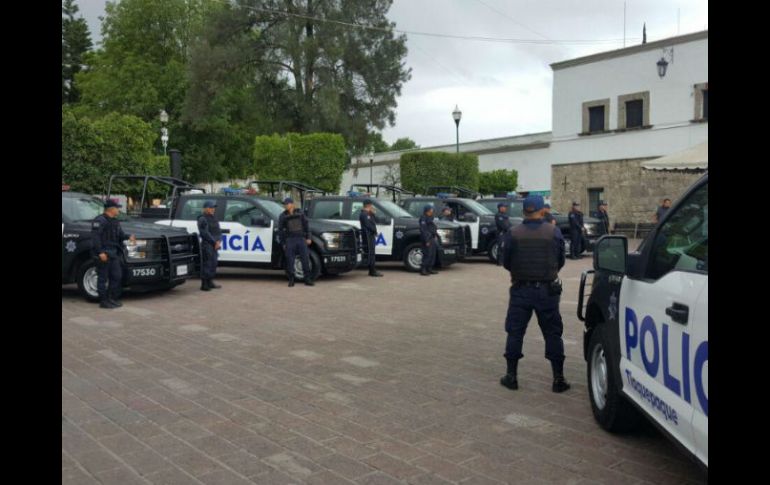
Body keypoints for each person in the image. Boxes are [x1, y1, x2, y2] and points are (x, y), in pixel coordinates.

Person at [499, 195, 570, 393]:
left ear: (524, 211)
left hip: (521, 290)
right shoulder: (552, 231)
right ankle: (558, 379)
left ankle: (511, 377)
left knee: (515, 332)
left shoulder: (513, 232)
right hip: (547, 291)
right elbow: (560, 260)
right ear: (542, 210)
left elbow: (506, 262)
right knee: (553, 334)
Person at [92, 200, 136, 308]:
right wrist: (100, 252)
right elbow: (95, 238)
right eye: (117, 208)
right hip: (104, 253)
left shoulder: (115, 221)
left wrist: (129, 236)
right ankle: (103, 301)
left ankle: (111, 298)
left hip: (113, 253)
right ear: (111, 209)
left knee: (117, 276)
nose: (118, 210)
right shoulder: (100, 220)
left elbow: (120, 234)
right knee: (102, 277)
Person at [279, 197, 314, 287]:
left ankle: (307, 279)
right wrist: (283, 243)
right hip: (290, 240)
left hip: (301, 239)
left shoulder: (300, 213)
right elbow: (280, 230)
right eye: (285, 204)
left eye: (287, 204)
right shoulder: (282, 216)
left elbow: (307, 226)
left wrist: (309, 237)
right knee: (290, 260)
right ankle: (291, 280)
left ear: (292, 204)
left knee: (305, 259)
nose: (285, 205)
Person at [197, 200, 222, 291]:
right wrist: (214, 242)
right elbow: (204, 233)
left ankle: (210, 282)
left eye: (213, 208)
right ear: (206, 208)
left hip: (215, 244)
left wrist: (219, 241)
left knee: (213, 263)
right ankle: (204, 284)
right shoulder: (202, 218)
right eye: (211, 208)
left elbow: (218, 231)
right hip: (207, 244)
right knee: (207, 264)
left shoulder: (213, 217)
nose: (213, 209)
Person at [359, 200, 383, 277]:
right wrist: (374, 231)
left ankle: (372, 269)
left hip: (370, 235)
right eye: (371, 205)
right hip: (368, 235)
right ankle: (372, 270)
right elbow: (369, 225)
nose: (372, 207)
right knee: (371, 252)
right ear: (368, 205)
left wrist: (373, 213)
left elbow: (375, 221)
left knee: (372, 252)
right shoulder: (364, 214)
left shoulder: (369, 214)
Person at [419, 204, 439, 276]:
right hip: (427, 238)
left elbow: (432, 227)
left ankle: (429, 268)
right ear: (427, 210)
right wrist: (427, 240)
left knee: (432, 254)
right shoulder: (423, 218)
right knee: (427, 254)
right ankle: (423, 269)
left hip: (432, 237)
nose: (432, 210)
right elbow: (423, 230)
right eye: (431, 209)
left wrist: (435, 235)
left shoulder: (430, 217)